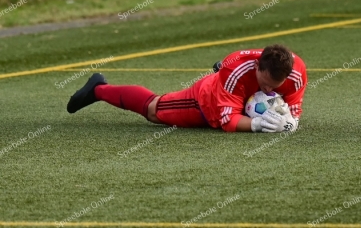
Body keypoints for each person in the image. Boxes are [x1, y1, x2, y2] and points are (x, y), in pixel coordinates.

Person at [66, 44, 306, 133]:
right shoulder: (236, 71)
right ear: (256, 66)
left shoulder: (296, 74)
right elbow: (229, 122)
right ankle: (98, 88)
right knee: (153, 109)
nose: (267, 90)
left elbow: (294, 108)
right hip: (206, 102)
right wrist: (258, 124)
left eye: (274, 88)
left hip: (233, 93)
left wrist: (291, 122)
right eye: (264, 84)